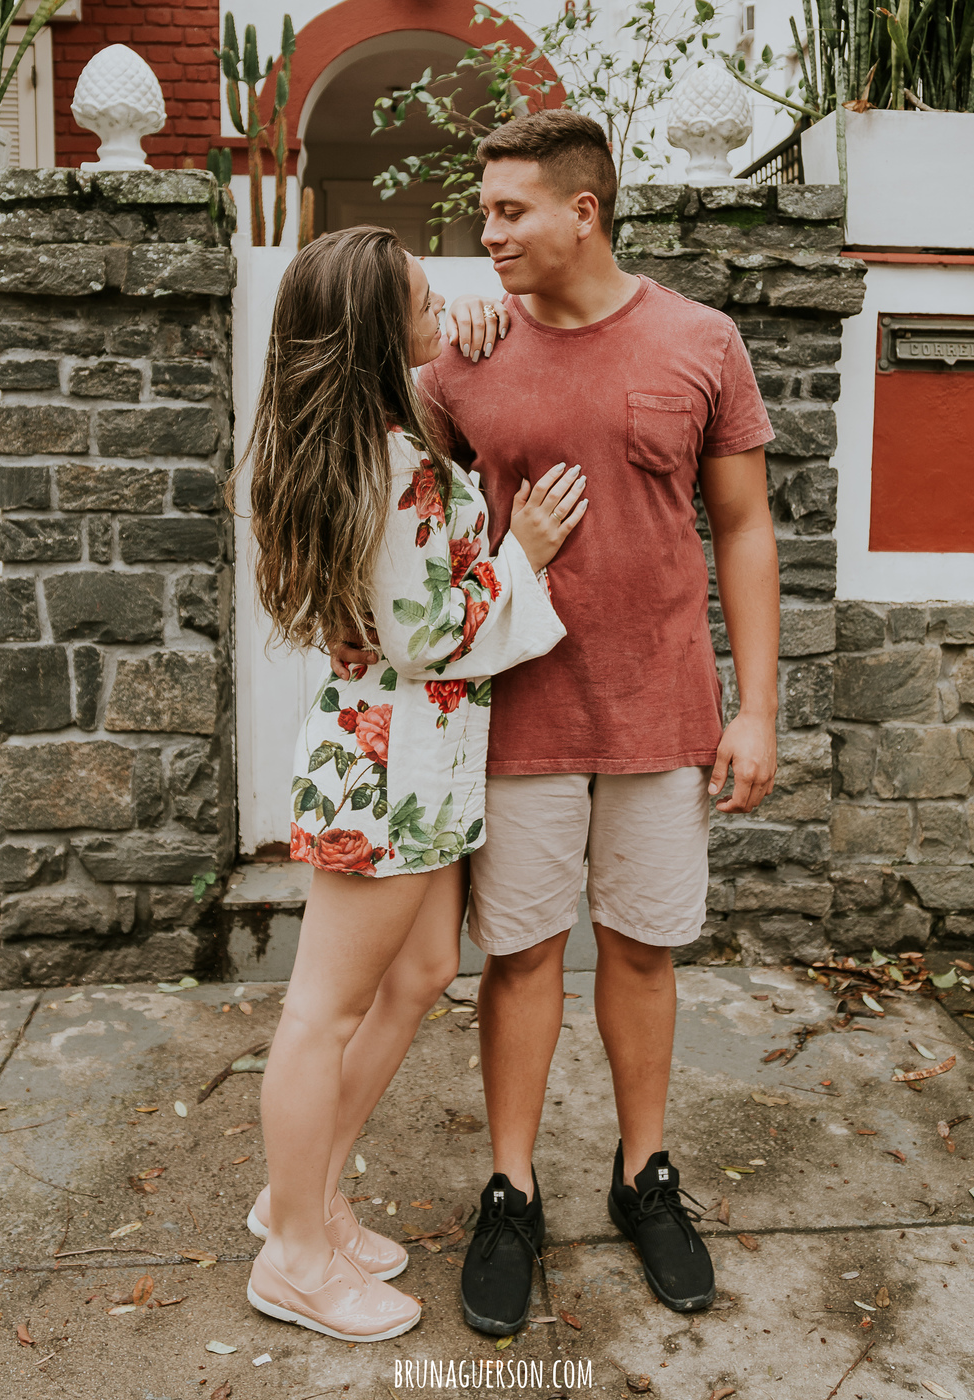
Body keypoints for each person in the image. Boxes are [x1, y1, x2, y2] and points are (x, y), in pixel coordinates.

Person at [331, 110, 780, 1336]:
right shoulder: (465, 356)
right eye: (483, 213)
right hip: (516, 715)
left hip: (662, 710)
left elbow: (741, 527)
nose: (487, 233)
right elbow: (361, 462)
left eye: (508, 210)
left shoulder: (702, 340)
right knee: (522, 956)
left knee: (643, 947)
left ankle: (644, 1179)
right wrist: (448, 332)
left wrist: (758, 708)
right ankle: (512, 1191)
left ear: (585, 209)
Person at [232, 224, 588, 1343]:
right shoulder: (385, 462)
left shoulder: (369, 439)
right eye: (428, 301)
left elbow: (412, 610)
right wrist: (522, 549)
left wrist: (475, 335)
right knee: (320, 1011)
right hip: (387, 766)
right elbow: (432, 631)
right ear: (382, 329)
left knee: (427, 966)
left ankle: (311, 1194)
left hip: (412, 762)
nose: (449, 308)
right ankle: (291, 1250)